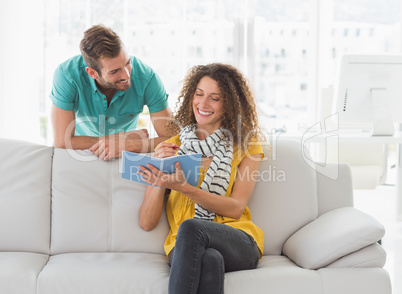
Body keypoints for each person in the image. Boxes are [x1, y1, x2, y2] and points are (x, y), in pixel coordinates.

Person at [138, 63, 266, 294]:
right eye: (199, 94)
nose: (203, 104)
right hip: (184, 246)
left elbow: (236, 208)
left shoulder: (246, 145)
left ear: (229, 104)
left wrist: (185, 188)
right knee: (210, 259)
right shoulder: (172, 146)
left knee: (191, 228)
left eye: (214, 98)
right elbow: (147, 222)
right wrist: (160, 175)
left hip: (237, 240)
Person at [50, 24, 172, 161]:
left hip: (123, 154)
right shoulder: (67, 76)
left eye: (127, 63)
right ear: (92, 73)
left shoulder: (147, 78)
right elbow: (62, 142)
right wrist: (120, 140)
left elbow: (172, 139)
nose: (126, 76)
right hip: (78, 154)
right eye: (114, 71)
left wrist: (129, 144)